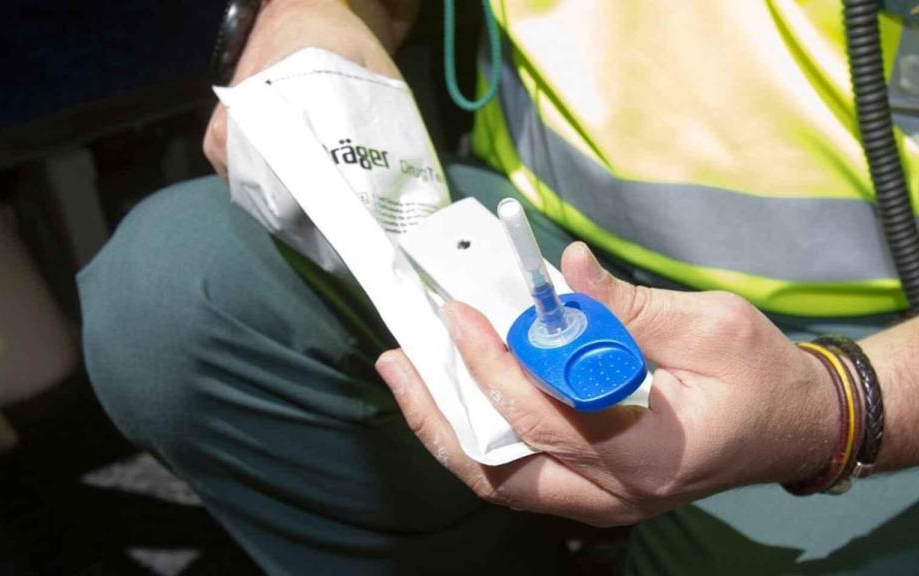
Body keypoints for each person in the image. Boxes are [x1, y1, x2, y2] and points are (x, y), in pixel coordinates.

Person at [79, 0, 919, 573]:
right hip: (538, 242)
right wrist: (317, 12)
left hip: (870, 347)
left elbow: (846, 402)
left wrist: (839, 408)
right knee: (176, 293)